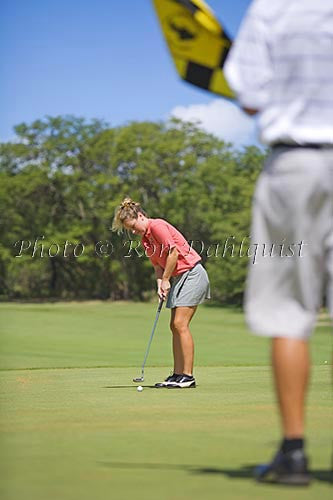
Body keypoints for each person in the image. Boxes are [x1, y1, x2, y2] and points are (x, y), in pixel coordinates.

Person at [224, 0, 333, 486]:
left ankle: (293, 454)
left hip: (297, 165)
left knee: (290, 310)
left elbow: (249, 96)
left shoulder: (273, 8)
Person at [112, 198, 210, 388]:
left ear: (140, 216)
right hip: (180, 277)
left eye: (133, 226)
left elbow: (173, 253)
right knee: (174, 326)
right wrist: (160, 284)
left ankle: (188, 376)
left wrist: (166, 280)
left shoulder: (157, 226)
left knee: (180, 323)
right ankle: (177, 374)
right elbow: (158, 264)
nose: (133, 231)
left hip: (192, 273)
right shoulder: (145, 239)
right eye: (129, 230)